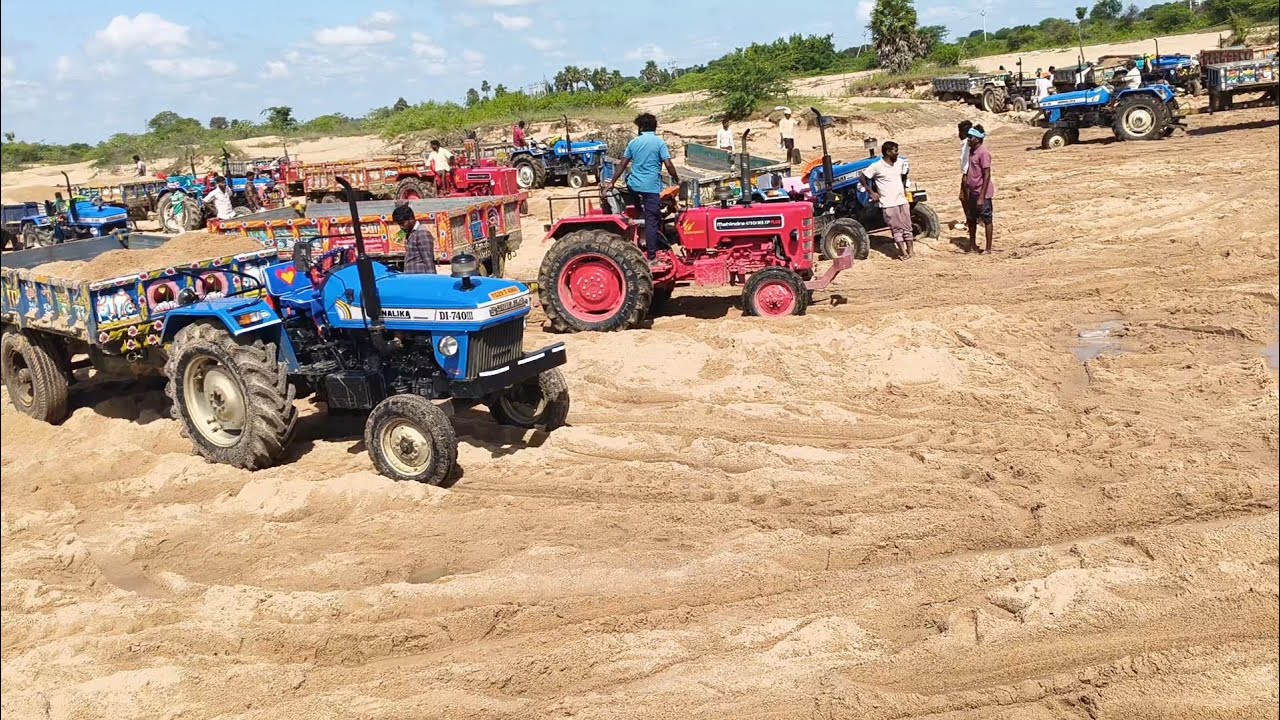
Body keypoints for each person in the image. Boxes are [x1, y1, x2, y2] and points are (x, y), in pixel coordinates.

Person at [604, 112, 680, 263]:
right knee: (652, 221)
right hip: (651, 188)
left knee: (640, 208)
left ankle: (639, 216)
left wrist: (612, 182)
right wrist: (677, 179)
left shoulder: (634, 143)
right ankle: (652, 256)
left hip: (634, 186)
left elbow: (622, 164)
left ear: (641, 128)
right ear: (654, 127)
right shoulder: (659, 143)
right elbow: (669, 164)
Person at [861, 140, 914, 260]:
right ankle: (903, 252)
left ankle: (911, 251)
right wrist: (872, 192)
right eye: (896, 151)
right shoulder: (877, 166)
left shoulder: (900, 163)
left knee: (907, 226)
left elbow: (905, 174)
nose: (898, 153)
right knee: (896, 229)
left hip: (902, 200)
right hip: (888, 203)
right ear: (888, 152)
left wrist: (904, 187)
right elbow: (862, 178)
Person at [963, 125, 995, 254]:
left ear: (978, 139)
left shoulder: (983, 153)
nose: (968, 140)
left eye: (970, 137)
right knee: (971, 219)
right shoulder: (971, 151)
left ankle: (988, 248)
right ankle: (972, 245)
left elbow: (986, 175)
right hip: (972, 191)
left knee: (987, 220)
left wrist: (982, 196)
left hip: (982, 193)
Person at [393, 203, 436, 274]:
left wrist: (432, 280)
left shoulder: (422, 233)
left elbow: (428, 261)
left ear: (411, 219)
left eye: (403, 224)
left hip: (420, 278)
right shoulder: (411, 233)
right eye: (399, 224)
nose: (401, 227)